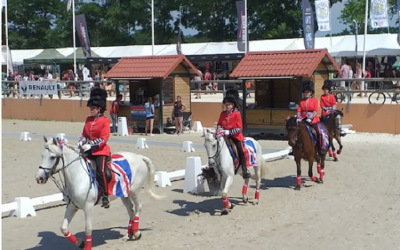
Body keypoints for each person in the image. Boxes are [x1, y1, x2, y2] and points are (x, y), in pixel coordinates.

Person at [77, 88, 111, 208]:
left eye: (94, 108)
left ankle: (105, 195)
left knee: (100, 171)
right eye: (91, 107)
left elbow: (103, 139)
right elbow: (84, 135)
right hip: (88, 150)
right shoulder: (88, 119)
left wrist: (90, 144)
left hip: (100, 151)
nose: (91, 110)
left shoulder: (105, 121)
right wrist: (81, 142)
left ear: (99, 108)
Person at [217, 95, 251, 179]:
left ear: (233, 105)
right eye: (226, 104)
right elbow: (219, 124)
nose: (227, 106)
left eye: (229, 104)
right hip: (225, 136)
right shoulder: (223, 114)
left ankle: (244, 169)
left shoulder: (237, 114)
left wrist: (230, 132)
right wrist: (219, 130)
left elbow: (240, 128)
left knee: (240, 149)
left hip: (236, 136)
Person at [296, 80, 322, 153]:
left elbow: (315, 110)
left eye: (308, 92)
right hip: (303, 119)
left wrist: (310, 118)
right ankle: (295, 148)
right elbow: (299, 110)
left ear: (311, 92)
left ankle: (319, 147)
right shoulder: (302, 101)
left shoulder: (315, 100)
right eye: (305, 92)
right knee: (295, 131)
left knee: (318, 132)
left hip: (312, 120)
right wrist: (298, 117)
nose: (306, 93)